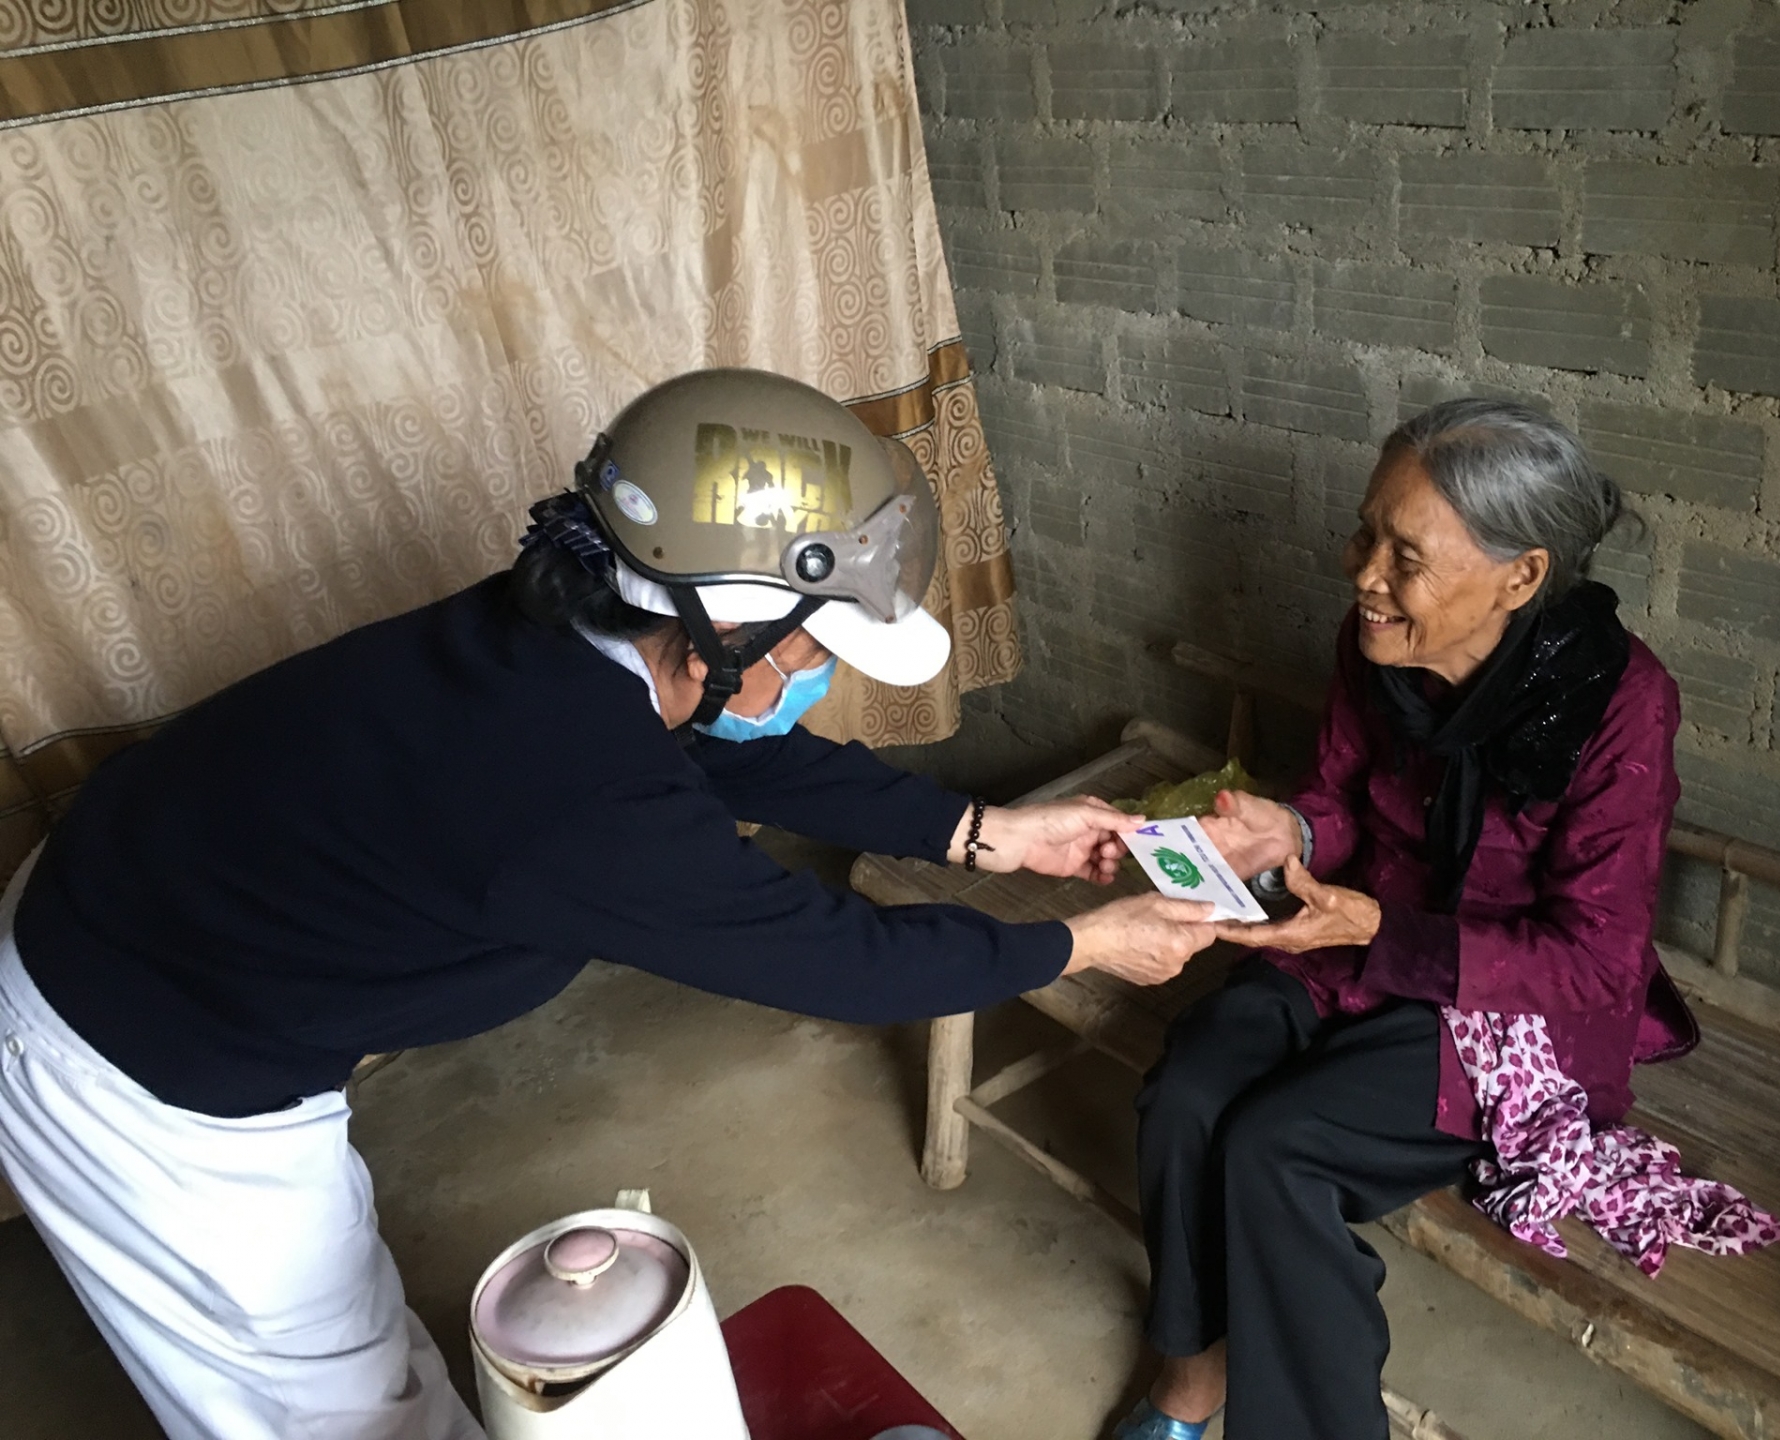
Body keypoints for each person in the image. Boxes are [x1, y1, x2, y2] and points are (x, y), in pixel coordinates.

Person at [0, 367, 1221, 1440]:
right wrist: (1081, 942)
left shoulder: (578, 628)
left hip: (146, 892)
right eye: (814, 654)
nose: (820, 682)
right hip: (135, 1044)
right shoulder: (569, 800)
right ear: (724, 622)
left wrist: (982, 832)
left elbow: (723, 746)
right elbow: (844, 960)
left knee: (353, 1338)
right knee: (324, 1407)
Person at [1116, 399, 1697, 1440]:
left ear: (1521, 576)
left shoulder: (1620, 707)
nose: (1363, 575)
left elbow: (1593, 961)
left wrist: (1379, 935)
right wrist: (1284, 830)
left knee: (1277, 1149)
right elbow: (1342, 798)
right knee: (1191, 1087)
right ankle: (1191, 1372)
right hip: (1346, 946)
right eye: (1365, 533)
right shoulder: (1377, 644)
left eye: (1404, 556)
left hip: (1500, 1011)